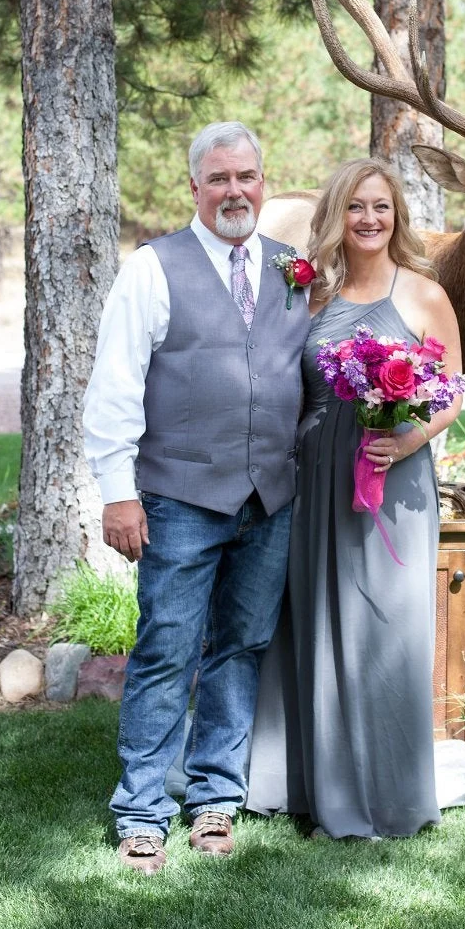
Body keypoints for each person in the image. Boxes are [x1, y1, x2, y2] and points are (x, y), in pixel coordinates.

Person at [83, 120, 309, 874]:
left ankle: (215, 799)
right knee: (165, 653)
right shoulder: (153, 267)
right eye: (218, 179)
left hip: (269, 498)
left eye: (246, 176)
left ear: (263, 181)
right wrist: (120, 495)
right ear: (195, 189)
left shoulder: (293, 269)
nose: (234, 191)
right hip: (179, 496)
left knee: (240, 650)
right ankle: (142, 812)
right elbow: (114, 387)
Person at [246, 157, 465, 839]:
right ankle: (311, 787)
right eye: (355, 207)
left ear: (397, 216)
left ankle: (394, 796)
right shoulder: (308, 296)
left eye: (381, 207)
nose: (369, 219)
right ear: (335, 216)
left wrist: (405, 443)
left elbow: (451, 389)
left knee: (389, 629)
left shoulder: (425, 293)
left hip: (391, 481)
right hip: (316, 481)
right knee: (314, 626)